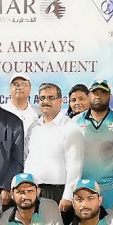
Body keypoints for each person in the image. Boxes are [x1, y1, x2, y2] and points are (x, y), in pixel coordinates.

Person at [26, 83, 83, 213]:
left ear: (60, 101)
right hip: (34, 192)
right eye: (42, 98)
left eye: (51, 98)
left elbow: (75, 166)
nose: (46, 101)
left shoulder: (70, 128)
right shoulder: (34, 128)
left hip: (58, 194)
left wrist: (68, 196)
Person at [72, 80, 113, 212]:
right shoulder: (76, 121)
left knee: (112, 223)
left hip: (111, 184)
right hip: (85, 185)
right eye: (95, 93)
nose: (98, 96)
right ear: (89, 95)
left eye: (103, 93)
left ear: (110, 96)